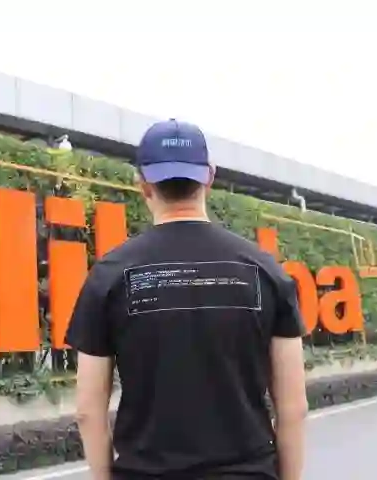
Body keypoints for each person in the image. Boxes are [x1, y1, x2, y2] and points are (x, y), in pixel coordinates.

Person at [65, 119, 308, 480]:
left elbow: (88, 412)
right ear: (209, 176)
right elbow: (293, 409)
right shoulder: (266, 271)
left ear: (142, 183)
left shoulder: (110, 275)